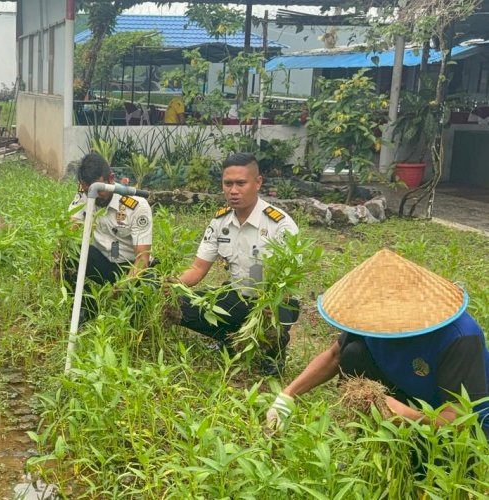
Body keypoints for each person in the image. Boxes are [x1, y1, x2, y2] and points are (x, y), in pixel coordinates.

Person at [266, 249, 489, 439]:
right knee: (353, 353)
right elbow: (334, 356)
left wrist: (409, 417)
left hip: (466, 431)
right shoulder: (373, 319)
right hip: (410, 396)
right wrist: (287, 396)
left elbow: (459, 420)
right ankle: (375, 436)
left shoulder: (459, 337)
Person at [171, 152, 299, 373]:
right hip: (237, 295)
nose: (233, 190)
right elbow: (197, 269)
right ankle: (229, 339)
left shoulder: (280, 225)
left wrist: (268, 306)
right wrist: (170, 286)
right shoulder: (221, 222)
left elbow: (288, 284)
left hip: (273, 301)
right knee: (180, 306)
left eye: (241, 183)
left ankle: (273, 354)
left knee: (274, 318)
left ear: (258, 183)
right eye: (227, 183)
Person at [66, 153, 153, 320]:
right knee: (69, 254)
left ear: (111, 178)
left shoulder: (136, 205)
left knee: (149, 284)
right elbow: (71, 227)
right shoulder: (87, 193)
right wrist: (60, 250)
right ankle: (86, 310)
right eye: (87, 190)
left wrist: (121, 286)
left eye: (99, 191)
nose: (95, 197)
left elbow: (142, 259)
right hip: (103, 260)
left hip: (129, 266)